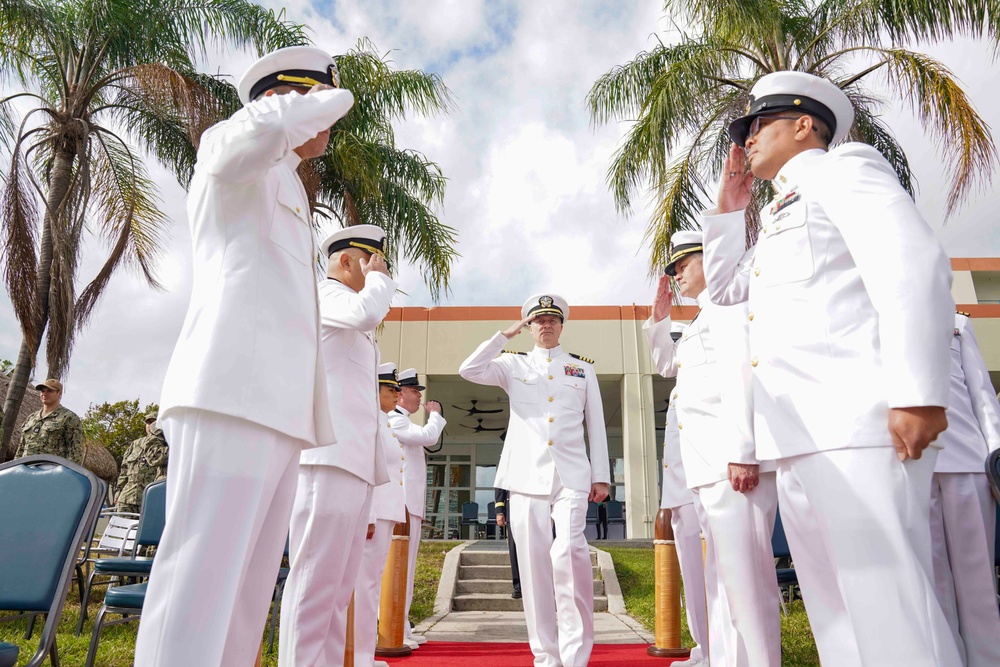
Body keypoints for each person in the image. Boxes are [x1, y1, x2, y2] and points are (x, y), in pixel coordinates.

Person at [700, 70, 959, 665]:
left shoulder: (846, 169)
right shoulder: (775, 215)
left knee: (892, 611)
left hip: (856, 426)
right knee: (837, 616)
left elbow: (911, 263)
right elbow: (725, 291)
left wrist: (918, 393)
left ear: (803, 125)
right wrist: (727, 212)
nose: (747, 140)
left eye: (758, 124)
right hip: (796, 438)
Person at [135, 45, 351, 666]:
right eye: (322, 108)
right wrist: (326, 97)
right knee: (199, 583)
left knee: (243, 597)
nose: (330, 127)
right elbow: (254, 136)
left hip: (277, 406)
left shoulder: (283, 178)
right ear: (288, 97)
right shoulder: (234, 147)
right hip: (230, 390)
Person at [645, 233, 780, 667]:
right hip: (707, 469)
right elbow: (666, 366)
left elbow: (744, 378)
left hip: (732, 463)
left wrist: (744, 450)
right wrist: (659, 321)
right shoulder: (703, 319)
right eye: (674, 269)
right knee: (721, 579)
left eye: (684, 263)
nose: (677, 274)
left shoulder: (732, 309)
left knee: (746, 582)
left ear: (715, 257)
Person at [459, 293, 610, 667]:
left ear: (562, 325)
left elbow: (597, 426)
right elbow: (469, 369)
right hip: (525, 476)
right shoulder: (512, 365)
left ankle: (576, 656)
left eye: (552, 320)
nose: (545, 325)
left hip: (572, 475)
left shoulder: (581, 370)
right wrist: (503, 336)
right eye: (537, 320)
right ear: (529, 327)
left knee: (570, 553)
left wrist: (602, 476)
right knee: (532, 566)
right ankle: (547, 656)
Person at [279, 223, 395, 666]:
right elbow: (369, 311)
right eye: (373, 264)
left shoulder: (352, 311)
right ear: (346, 261)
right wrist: (381, 281)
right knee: (313, 587)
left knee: (336, 595)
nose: (380, 274)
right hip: (325, 462)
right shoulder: (327, 297)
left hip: (353, 467)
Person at [929, 310, 1000, 666]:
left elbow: (983, 396)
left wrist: (995, 457)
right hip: (909, 469)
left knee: (979, 588)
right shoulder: (865, 316)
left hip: (968, 464)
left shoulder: (956, 322)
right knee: (933, 587)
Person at [654, 321, 709, 667]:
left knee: (714, 575)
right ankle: (704, 649)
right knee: (693, 577)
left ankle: (724, 650)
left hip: (704, 486)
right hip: (680, 495)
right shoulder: (676, 390)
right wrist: (668, 502)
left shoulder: (704, 381)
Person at [388, 367, 447, 646]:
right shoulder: (395, 420)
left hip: (408, 507)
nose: (418, 398)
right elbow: (428, 437)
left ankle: (402, 626)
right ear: (399, 395)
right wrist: (435, 414)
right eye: (414, 392)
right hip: (399, 506)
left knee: (407, 568)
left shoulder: (403, 421)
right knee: (398, 567)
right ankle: (393, 628)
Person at [354, 364, 407, 667]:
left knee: (370, 584)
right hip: (374, 513)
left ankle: (363, 653)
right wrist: (370, 513)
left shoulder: (386, 422)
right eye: (391, 390)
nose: (397, 395)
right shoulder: (370, 422)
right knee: (365, 586)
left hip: (386, 513)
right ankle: (360, 657)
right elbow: (366, 470)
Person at [16, 379, 84, 466]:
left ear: (59, 393)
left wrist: (66, 475)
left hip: (51, 472)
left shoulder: (69, 418)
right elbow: (21, 448)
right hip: (26, 470)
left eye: (50, 391)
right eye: (42, 391)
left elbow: (76, 453)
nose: (45, 394)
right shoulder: (31, 418)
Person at [115, 412, 167, 514]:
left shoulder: (166, 443)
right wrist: (118, 493)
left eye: (154, 422)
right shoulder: (135, 444)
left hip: (150, 499)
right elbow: (124, 471)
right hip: (127, 499)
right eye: (148, 422)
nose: (150, 426)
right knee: (121, 527)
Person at [494, 487, 522, 599]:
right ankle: (518, 586)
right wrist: (500, 511)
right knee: (514, 550)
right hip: (514, 511)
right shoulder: (508, 467)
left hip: (537, 511)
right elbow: (500, 487)